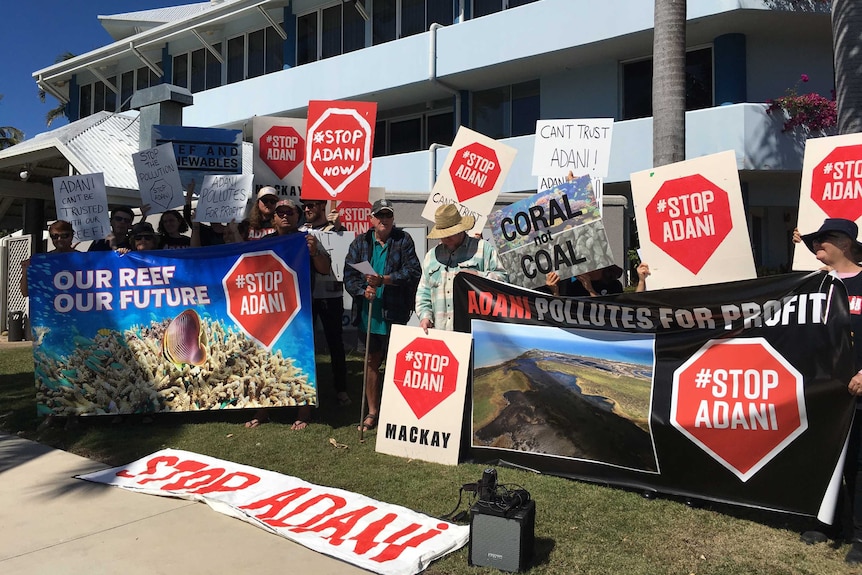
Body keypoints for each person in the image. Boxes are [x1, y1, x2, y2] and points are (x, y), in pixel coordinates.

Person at [795, 218, 862, 564]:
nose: (817, 245)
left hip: (859, 390)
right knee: (826, 457)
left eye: (825, 239)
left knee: (859, 464)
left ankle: (860, 537)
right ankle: (825, 522)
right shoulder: (815, 285)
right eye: (814, 240)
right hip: (823, 392)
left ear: (846, 243)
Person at [244, 198, 332, 431]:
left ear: (297, 216)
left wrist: (314, 253)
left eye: (290, 212)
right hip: (270, 310)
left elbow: (325, 269)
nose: (284, 216)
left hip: (300, 311)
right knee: (265, 359)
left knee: (301, 358)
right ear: (273, 218)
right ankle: (264, 408)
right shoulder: (263, 242)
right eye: (280, 212)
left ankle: (304, 410)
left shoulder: (308, 240)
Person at [344, 199, 422, 432]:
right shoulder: (360, 242)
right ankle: (372, 412)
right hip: (369, 313)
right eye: (380, 215)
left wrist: (385, 280)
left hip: (394, 311)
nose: (384, 220)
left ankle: (395, 410)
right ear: (372, 218)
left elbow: (413, 271)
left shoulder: (403, 240)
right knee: (371, 362)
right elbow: (350, 274)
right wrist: (362, 289)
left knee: (397, 364)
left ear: (393, 218)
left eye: (388, 215)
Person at [416, 203, 507, 333]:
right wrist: (425, 317)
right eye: (443, 234)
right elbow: (423, 293)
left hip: (475, 334)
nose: (446, 238)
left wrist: (477, 276)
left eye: (450, 234)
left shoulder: (482, 249)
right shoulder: (431, 256)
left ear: (461, 229)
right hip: (441, 333)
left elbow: (503, 280)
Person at [302, 198, 351, 406]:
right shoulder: (299, 230)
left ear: (322, 206)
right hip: (307, 295)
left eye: (311, 205)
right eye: (304, 205)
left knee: (335, 344)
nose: (307, 208)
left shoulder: (337, 228)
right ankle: (305, 389)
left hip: (331, 295)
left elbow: (345, 250)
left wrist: (339, 227)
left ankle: (341, 389)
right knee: (305, 343)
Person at [21, 220, 77, 297]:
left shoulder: (85, 259)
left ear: (72, 236)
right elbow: (25, 292)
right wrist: (25, 271)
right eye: (55, 236)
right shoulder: (41, 262)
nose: (59, 239)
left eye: (64, 236)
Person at [544, 265, 624, 297]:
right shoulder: (571, 284)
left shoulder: (614, 285)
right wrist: (555, 291)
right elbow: (561, 310)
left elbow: (608, 311)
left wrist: (590, 290)